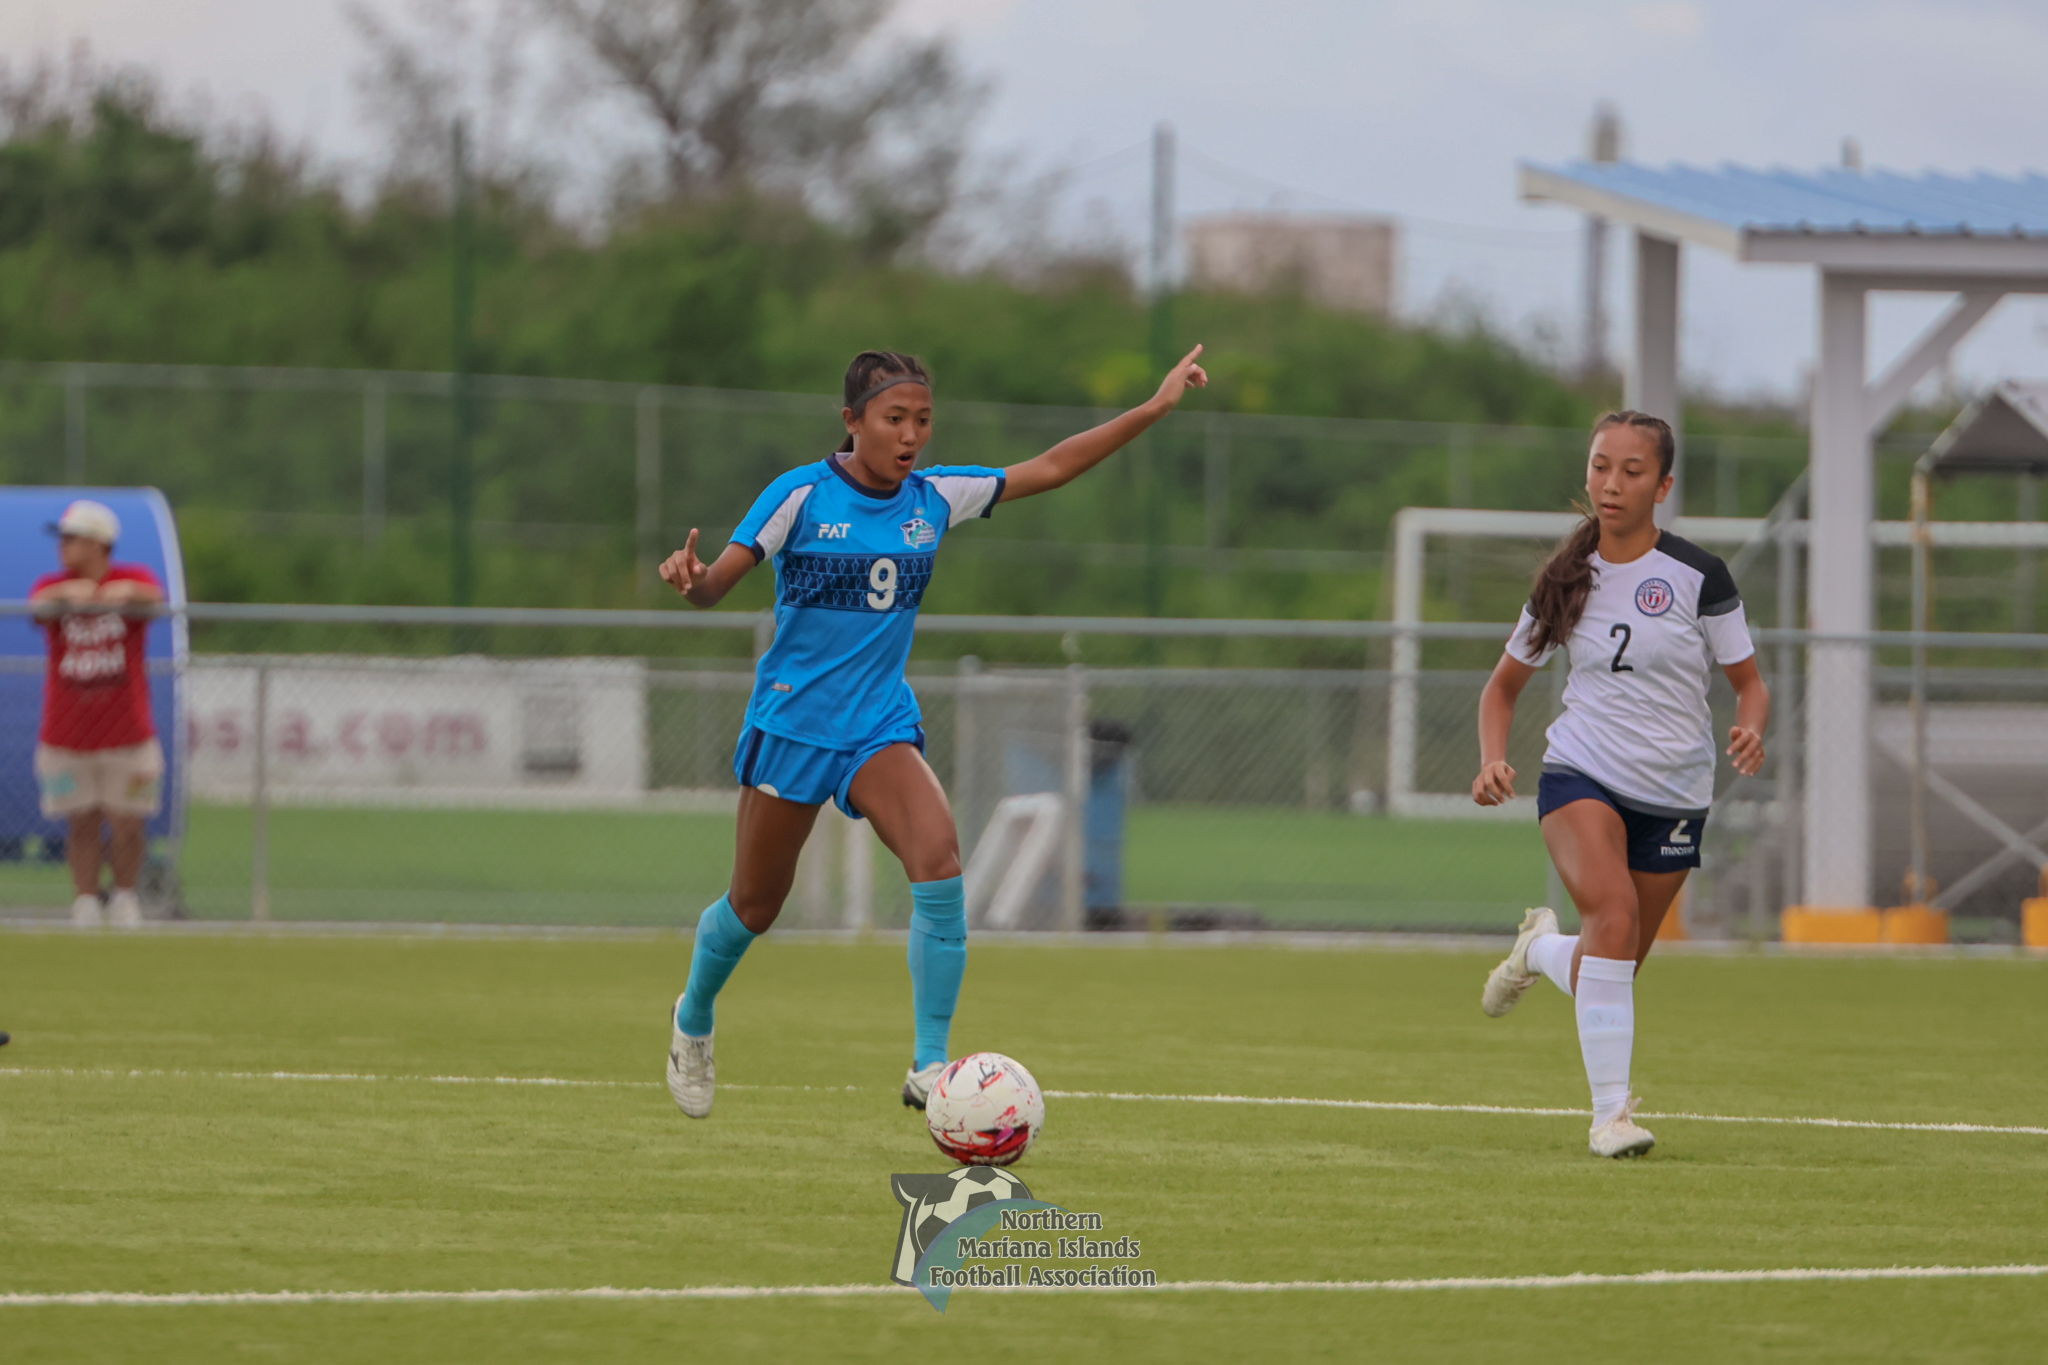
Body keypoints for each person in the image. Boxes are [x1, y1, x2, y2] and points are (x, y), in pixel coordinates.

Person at [658, 345, 1209, 1119]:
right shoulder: (801, 496)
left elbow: (1050, 466)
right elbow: (716, 583)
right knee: (755, 904)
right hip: (794, 726)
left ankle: (930, 1065)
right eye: (893, 419)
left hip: (878, 726)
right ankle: (693, 1017)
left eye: (922, 419)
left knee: (939, 863)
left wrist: (1152, 408)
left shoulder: (934, 498)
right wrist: (691, 581)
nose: (911, 434)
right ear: (852, 422)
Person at [1469, 411, 1768, 1158]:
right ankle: (1612, 1117)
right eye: (1602, 466)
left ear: (1663, 485)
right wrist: (1492, 757)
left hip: (1674, 795)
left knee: (1613, 965)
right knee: (1610, 918)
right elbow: (1501, 688)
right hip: (1581, 773)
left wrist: (1751, 726)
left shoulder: (1702, 577)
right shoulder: (1566, 580)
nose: (1612, 483)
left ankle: (1538, 951)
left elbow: (1750, 684)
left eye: (1632, 471)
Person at [29, 500, 166, 928]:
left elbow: (155, 598)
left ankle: (125, 897)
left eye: (71, 538)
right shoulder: (56, 585)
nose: (63, 547)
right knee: (81, 821)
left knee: (128, 821)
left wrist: (122, 594)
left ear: (97, 543)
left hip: (128, 732)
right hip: (67, 734)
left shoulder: (132, 578)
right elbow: (37, 605)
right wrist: (66, 595)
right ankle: (85, 902)